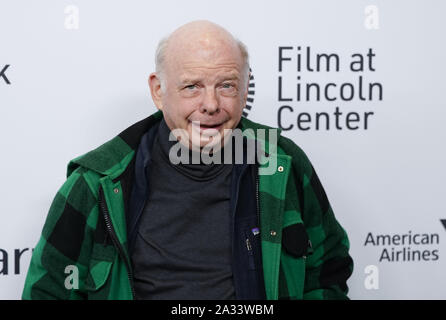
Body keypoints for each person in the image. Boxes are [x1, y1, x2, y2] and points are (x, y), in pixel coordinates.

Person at [22, 20, 353, 300]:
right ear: (158, 91)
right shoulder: (99, 182)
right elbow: (49, 289)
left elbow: (329, 270)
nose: (210, 105)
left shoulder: (282, 163)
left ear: (245, 88)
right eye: (192, 87)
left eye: (226, 85)